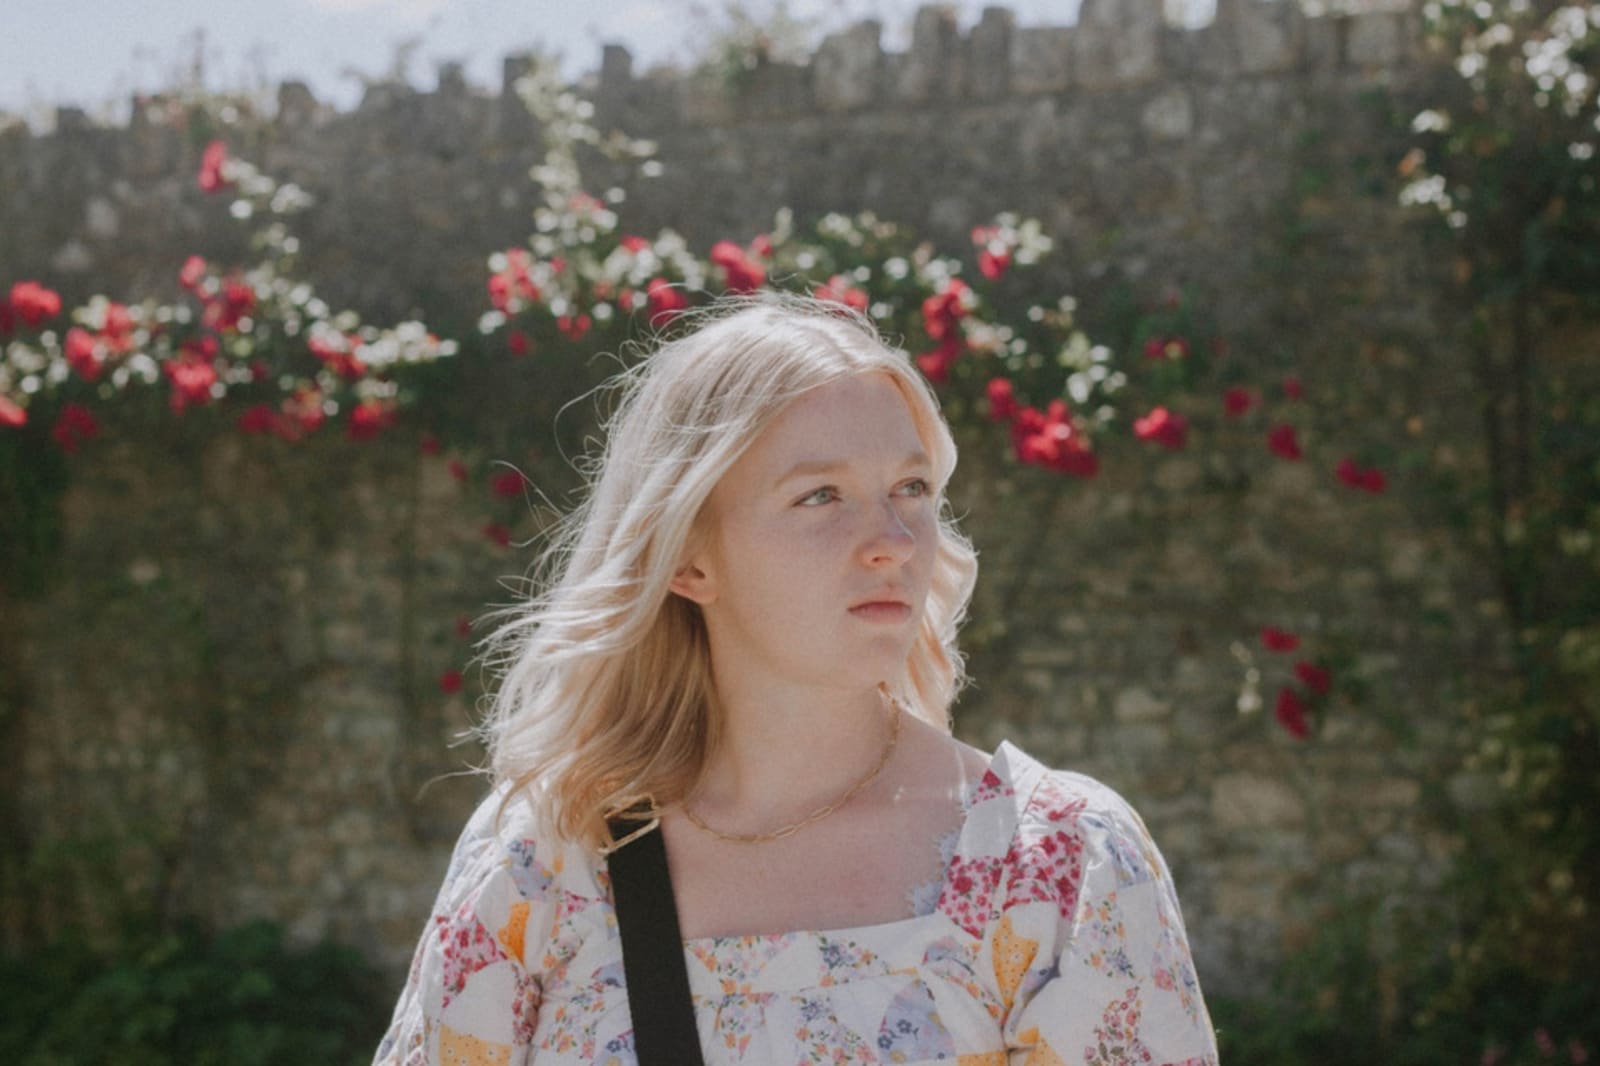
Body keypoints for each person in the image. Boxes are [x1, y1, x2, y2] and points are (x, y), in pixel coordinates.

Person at [374, 293, 1218, 1065]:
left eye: (911, 488)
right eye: (821, 497)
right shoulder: (546, 860)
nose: (892, 538)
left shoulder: (1057, 866)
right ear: (689, 561)